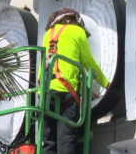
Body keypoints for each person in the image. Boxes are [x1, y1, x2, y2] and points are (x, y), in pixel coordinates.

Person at [39, 8, 111, 154]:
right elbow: (88, 63)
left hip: (45, 95)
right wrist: (107, 84)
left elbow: (61, 65)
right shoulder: (77, 32)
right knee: (66, 141)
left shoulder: (47, 35)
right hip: (66, 94)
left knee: (48, 143)